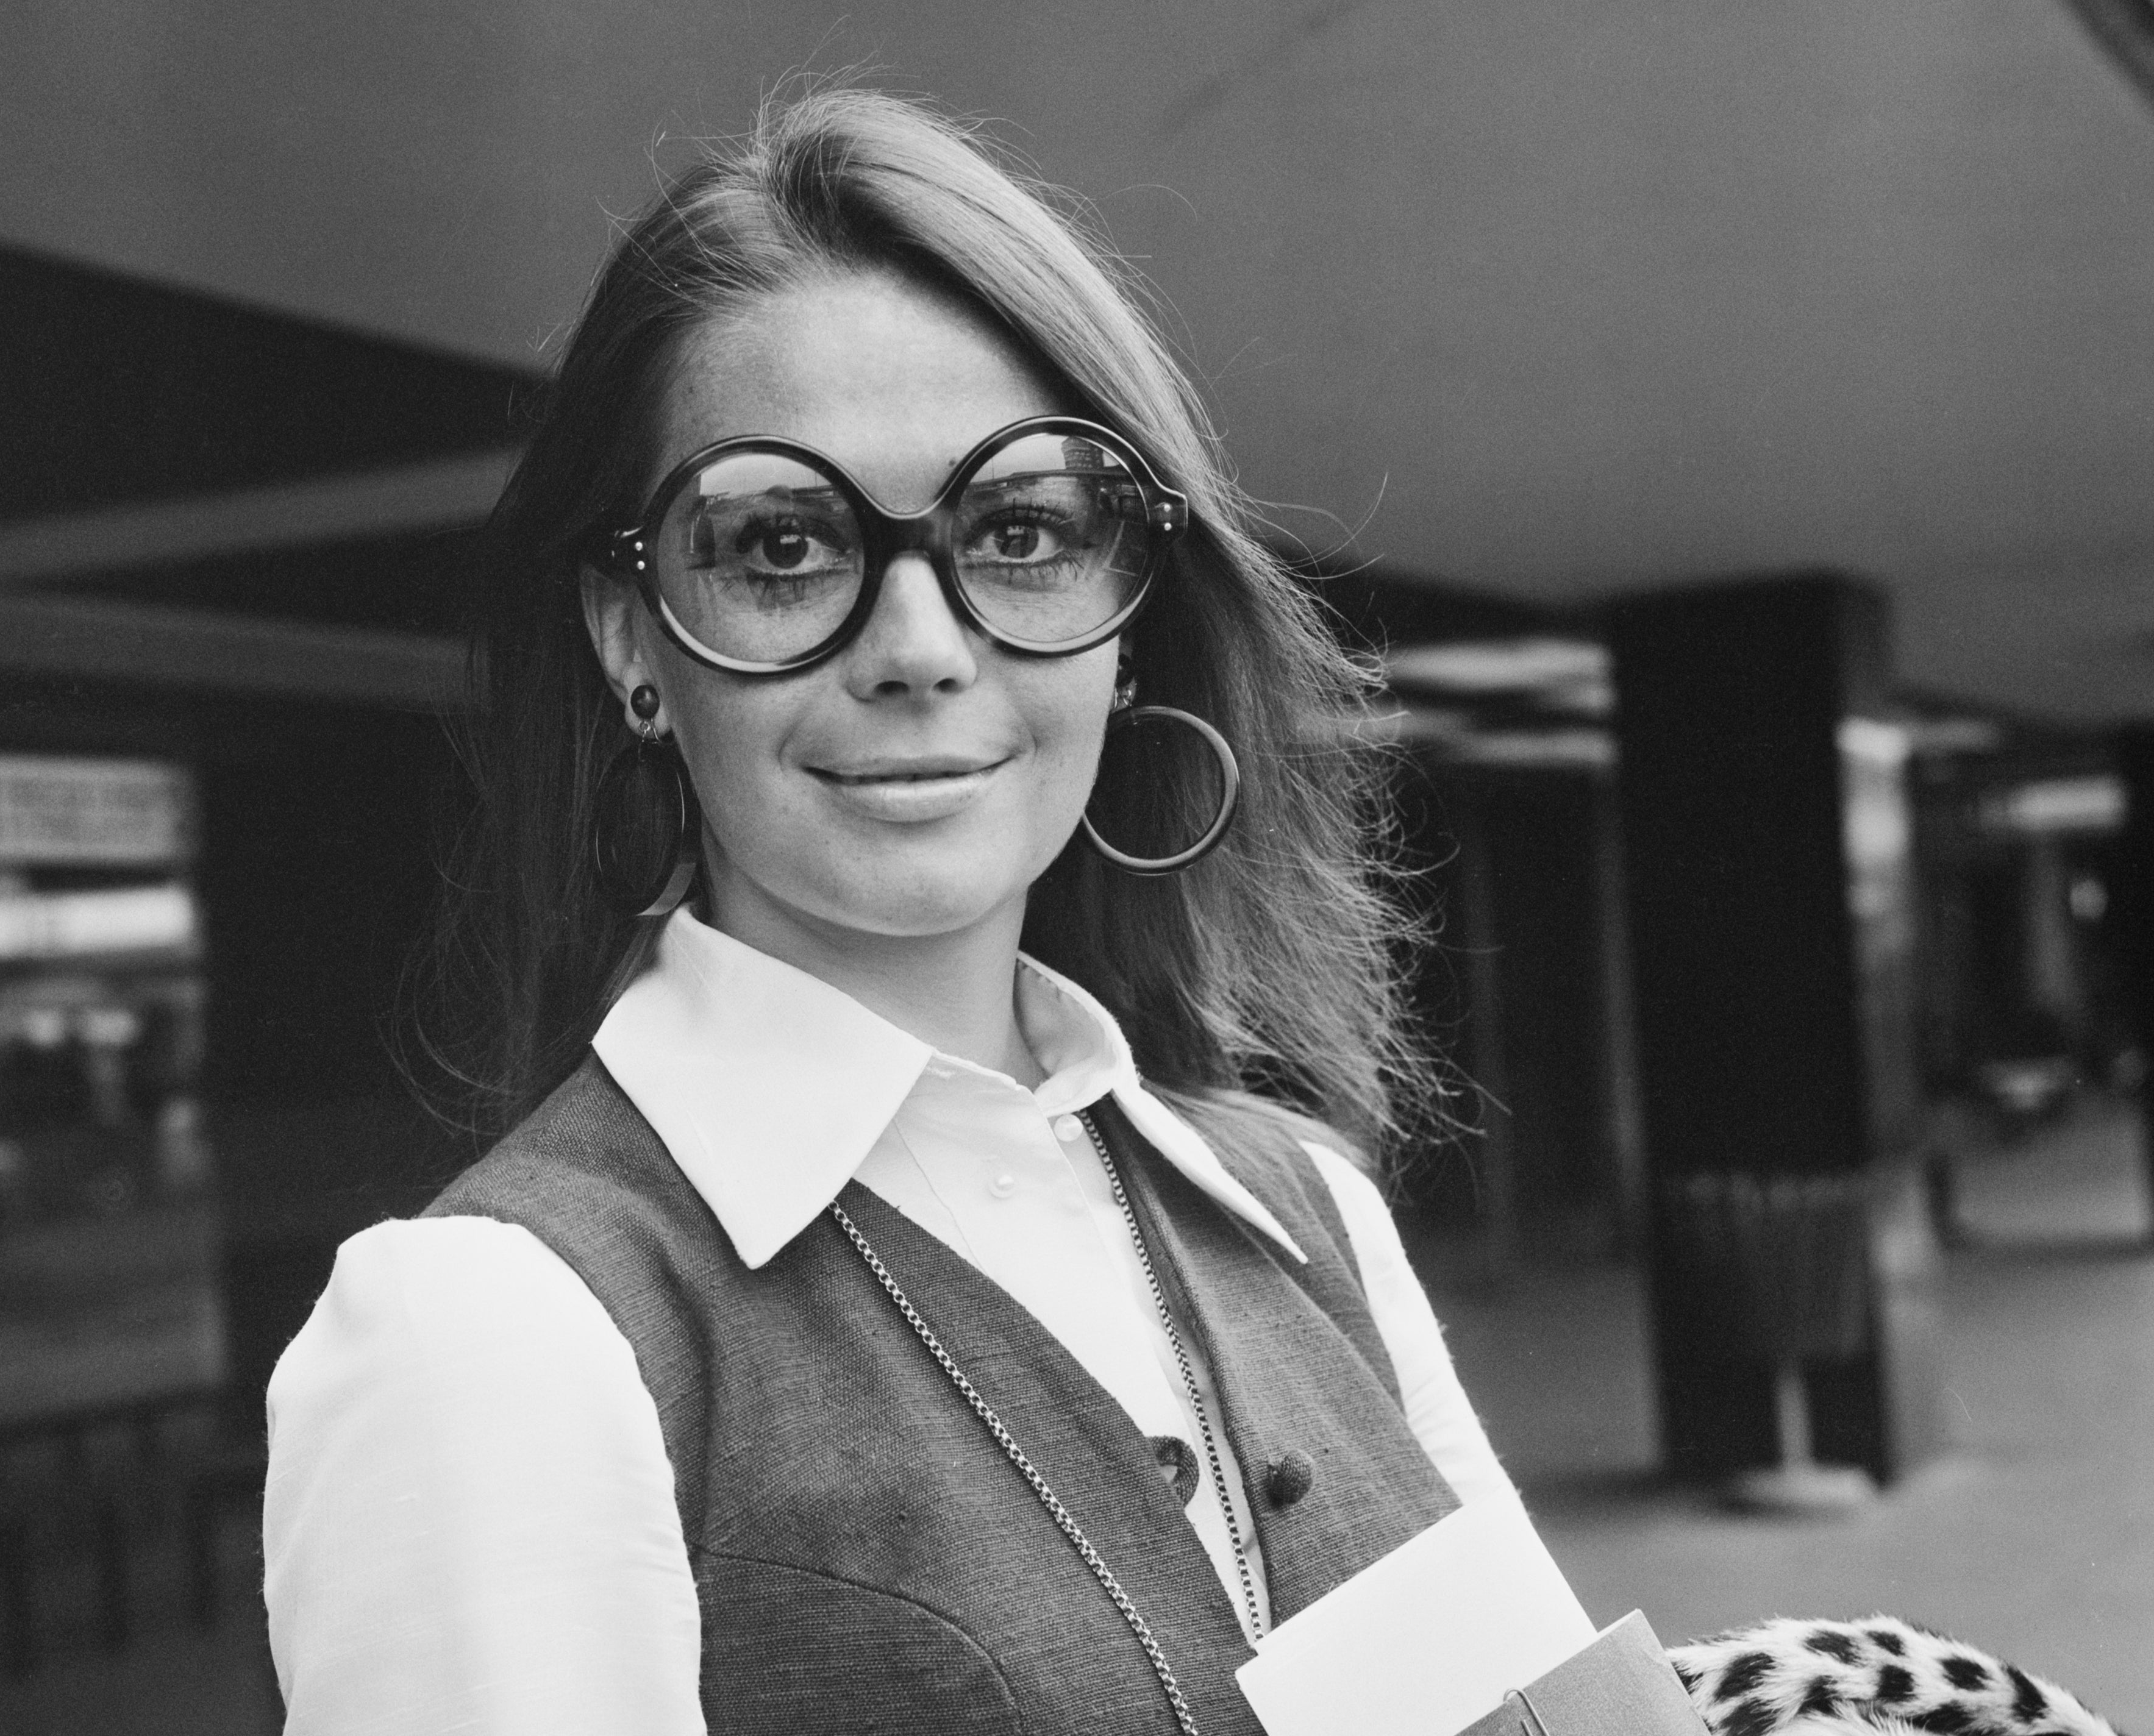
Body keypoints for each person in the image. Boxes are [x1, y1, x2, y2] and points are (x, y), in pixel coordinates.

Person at [262, 85, 1521, 1736]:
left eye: (1019, 531)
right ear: (633, 641)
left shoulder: (1308, 1211)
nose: (921, 644)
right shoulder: (499, 1336)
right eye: (782, 545)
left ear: (1127, 614)